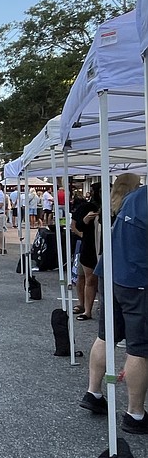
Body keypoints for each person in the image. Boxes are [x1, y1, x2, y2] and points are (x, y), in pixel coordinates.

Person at [79, 184, 148, 434]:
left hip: (111, 273)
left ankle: (93, 392)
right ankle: (135, 413)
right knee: (140, 347)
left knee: (106, 335)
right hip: (136, 280)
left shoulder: (134, 197)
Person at [72, 183, 101, 321]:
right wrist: (83, 230)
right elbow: (74, 225)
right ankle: (84, 307)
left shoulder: (113, 207)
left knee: (88, 278)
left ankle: (88, 308)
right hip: (88, 246)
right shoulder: (87, 207)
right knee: (85, 277)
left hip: (98, 246)